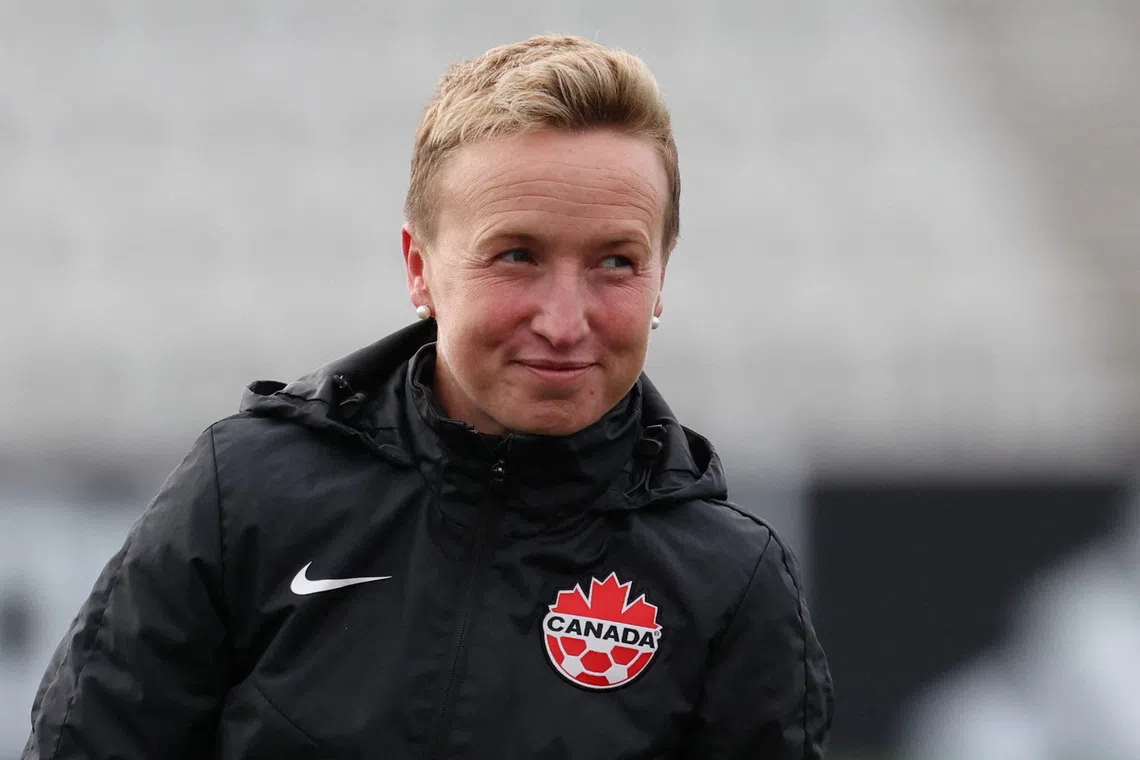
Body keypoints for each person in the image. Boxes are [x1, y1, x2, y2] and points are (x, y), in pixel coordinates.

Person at [23, 33, 834, 759]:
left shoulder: (731, 582)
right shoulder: (247, 494)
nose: (564, 320)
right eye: (516, 256)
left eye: (616, 262)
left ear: (662, 276)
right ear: (420, 268)